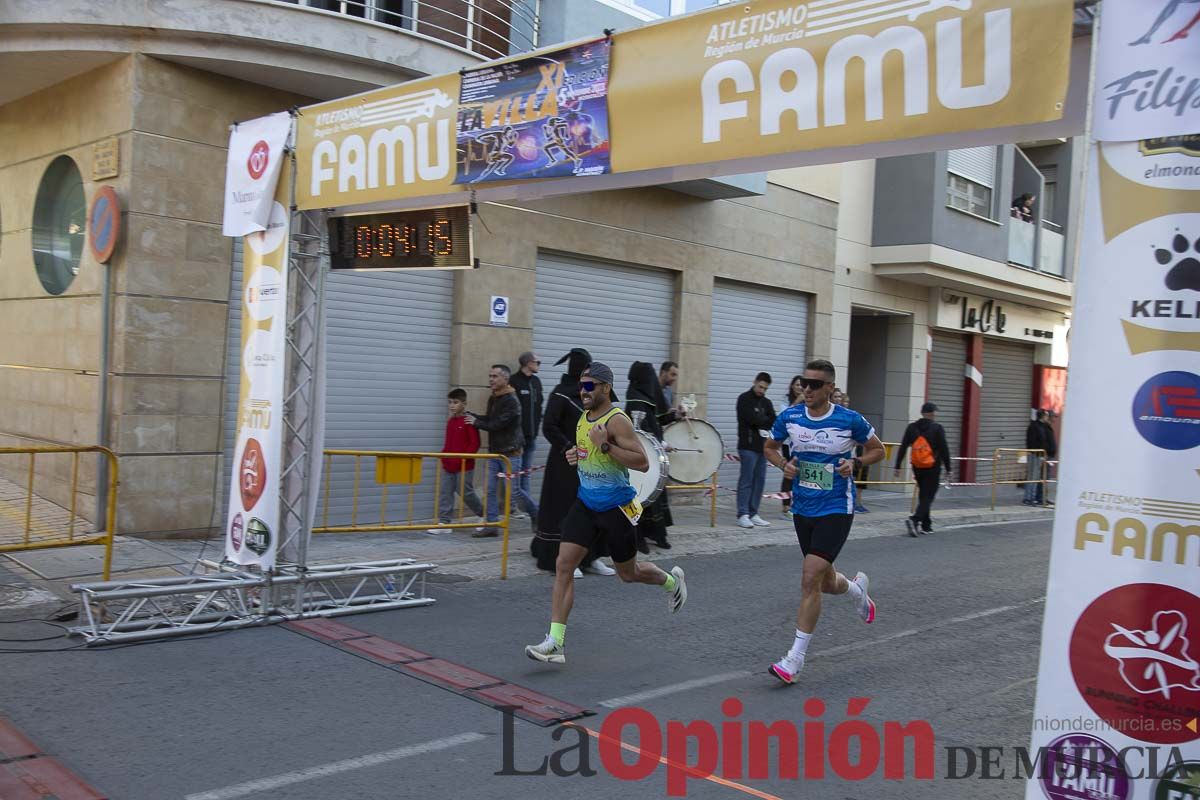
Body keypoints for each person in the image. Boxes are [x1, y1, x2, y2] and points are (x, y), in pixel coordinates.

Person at [524, 363, 688, 664]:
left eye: (589, 386)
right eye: (581, 385)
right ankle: (555, 643)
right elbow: (587, 453)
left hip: (617, 509)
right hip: (586, 504)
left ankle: (671, 582)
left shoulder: (617, 421)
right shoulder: (583, 419)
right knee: (563, 565)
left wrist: (607, 447)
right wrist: (575, 455)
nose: (582, 391)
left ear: (605, 388)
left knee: (628, 574)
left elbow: (642, 462)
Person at [763, 359, 885, 685]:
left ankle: (795, 659)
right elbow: (770, 447)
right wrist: (782, 465)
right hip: (803, 508)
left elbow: (879, 450)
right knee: (825, 582)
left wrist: (855, 462)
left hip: (836, 507)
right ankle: (857, 591)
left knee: (809, 577)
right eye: (805, 382)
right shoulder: (790, 417)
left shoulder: (849, 420)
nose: (808, 389)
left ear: (830, 388)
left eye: (816, 384)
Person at [532, 349, 613, 577]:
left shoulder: (592, 395)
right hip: (564, 465)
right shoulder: (560, 394)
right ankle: (566, 560)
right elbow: (549, 426)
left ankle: (592, 557)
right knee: (567, 510)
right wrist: (568, 446)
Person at [465, 364, 523, 538]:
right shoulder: (495, 397)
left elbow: (497, 425)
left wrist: (476, 423)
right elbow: (490, 419)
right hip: (495, 452)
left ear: (505, 379)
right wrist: (471, 416)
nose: (491, 379)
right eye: (490, 376)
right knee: (490, 490)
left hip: (510, 453)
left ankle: (536, 515)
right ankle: (491, 525)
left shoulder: (512, 400)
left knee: (514, 491)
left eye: (495, 376)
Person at [626, 361, 674, 552]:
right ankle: (637, 538)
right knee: (640, 498)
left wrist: (675, 415)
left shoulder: (647, 398)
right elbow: (639, 432)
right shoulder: (635, 400)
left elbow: (658, 419)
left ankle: (657, 534)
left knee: (654, 497)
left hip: (654, 457)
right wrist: (660, 444)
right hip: (640, 457)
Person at [428, 389, 484, 533]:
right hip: (449, 465)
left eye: (455, 402)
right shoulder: (451, 422)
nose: (452, 405)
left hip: (465, 465)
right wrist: (443, 456)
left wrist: (463, 458)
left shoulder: (468, 421)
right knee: (445, 492)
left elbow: (474, 444)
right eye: (450, 402)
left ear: (464, 404)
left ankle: (484, 514)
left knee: (466, 492)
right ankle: (444, 522)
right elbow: (448, 443)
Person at [893, 402, 953, 537]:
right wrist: (949, 468)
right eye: (933, 412)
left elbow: (903, 447)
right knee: (928, 496)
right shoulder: (937, 428)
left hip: (917, 467)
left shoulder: (911, 427)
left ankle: (926, 525)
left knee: (923, 495)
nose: (934, 414)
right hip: (933, 467)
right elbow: (944, 449)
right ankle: (914, 519)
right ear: (930, 413)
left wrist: (897, 465)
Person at [736, 372, 777, 529]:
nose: (762, 391)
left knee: (759, 480)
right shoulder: (744, 399)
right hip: (747, 446)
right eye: (760, 387)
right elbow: (751, 419)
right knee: (746, 480)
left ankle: (754, 512)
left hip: (763, 447)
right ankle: (743, 513)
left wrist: (762, 421)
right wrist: (762, 420)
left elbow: (773, 420)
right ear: (754, 382)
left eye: (765, 388)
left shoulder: (766, 402)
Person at [509, 351, 543, 523]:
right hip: (517, 438)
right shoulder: (514, 381)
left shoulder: (536, 382)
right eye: (537, 362)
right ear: (528, 363)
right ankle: (512, 507)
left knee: (526, 473)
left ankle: (526, 506)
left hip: (532, 436)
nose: (539, 364)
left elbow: (539, 407)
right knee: (514, 474)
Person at [779, 375, 805, 517]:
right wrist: (796, 402)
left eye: (802, 385)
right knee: (789, 472)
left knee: (801, 474)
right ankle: (785, 505)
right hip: (788, 443)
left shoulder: (807, 402)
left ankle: (798, 503)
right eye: (797, 385)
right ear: (792, 386)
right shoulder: (785, 400)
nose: (799, 388)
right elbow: (784, 416)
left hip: (802, 443)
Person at [1024, 410, 1058, 507]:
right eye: (1047, 416)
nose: (1048, 418)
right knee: (1033, 477)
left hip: (1043, 455)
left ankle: (1037, 498)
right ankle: (1029, 498)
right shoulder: (1035, 427)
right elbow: (1032, 442)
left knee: (1040, 478)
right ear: (1043, 416)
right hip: (1036, 455)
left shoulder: (1043, 426)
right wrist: (1039, 453)